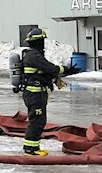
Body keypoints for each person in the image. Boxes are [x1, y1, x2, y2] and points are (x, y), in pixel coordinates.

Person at [18, 27, 66, 156]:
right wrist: (64, 69)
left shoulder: (34, 55)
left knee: (38, 120)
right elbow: (49, 68)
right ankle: (30, 150)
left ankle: (33, 147)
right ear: (38, 42)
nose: (43, 44)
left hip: (36, 93)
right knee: (36, 121)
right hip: (35, 93)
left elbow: (43, 72)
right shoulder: (34, 55)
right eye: (42, 41)